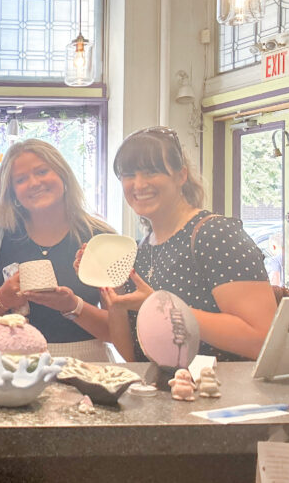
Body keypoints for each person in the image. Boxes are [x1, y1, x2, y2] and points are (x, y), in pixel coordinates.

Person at [104, 126, 276, 361]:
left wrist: (165, 309)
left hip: (222, 393)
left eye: (151, 172)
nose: (139, 184)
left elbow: (262, 339)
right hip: (162, 395)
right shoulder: (141, 251)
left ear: (181, 175)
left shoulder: (215, 234)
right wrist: (110, 291)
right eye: (129, 175)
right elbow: (134, 356)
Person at [0, 139, 114, 360]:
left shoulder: (100, 238)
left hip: (87, 366)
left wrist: (73, 306)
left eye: (42, 171)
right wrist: (2, 298)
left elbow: (117, 332)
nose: (34, 183)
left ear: (63, 175)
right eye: (21, 179)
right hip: (10, 364)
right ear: (11, 192)